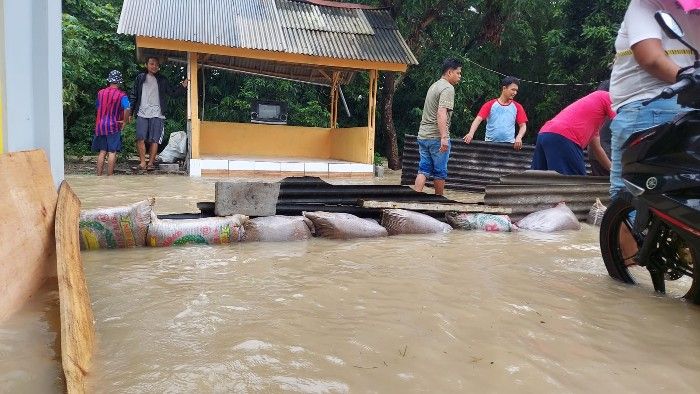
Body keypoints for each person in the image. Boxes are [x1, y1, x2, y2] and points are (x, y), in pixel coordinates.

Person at [609, 0, 699, 266]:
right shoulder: (693, 16)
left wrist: (686, 77)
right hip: (689, 110)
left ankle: (627, 276)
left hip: (647, 106)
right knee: (683, 189)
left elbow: (650, 57)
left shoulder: (644, 4)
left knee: (629, 194)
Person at [530, 86, 616, 176]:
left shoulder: (592, 123)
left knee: (538, 181)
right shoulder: (607, 96)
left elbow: (597, 150)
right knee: (575, 183)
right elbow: (623, 124)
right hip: (564, 137)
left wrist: (615, 171)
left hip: (545, 134)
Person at [413, 58, 462, 196]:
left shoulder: (434, 85)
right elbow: (441, 113)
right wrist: (444, 137)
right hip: (436, 137)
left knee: (423, 169)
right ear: (449, 72)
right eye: (458, 73)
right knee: (440, 172)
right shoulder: (447, 88)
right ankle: (439, 201)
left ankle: (414, 199)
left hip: (423, 135)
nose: (459, 76)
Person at [130, 56, 187, 171]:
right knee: (140, 138)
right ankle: (142, 163)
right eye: (151, 63)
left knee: (155, 139)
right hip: (142, 112)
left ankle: (150, 163)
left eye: (156, 64)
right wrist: (130, 112)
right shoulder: (140, 78)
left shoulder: (162, 80)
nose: (154, 66)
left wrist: (183, 86)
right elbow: (133, 95)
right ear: (146, 65)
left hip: (157, 113)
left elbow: (173, 93)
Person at [463, 76, 528, 150]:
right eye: (513, 90)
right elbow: (478, 119)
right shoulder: (490, 104)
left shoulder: (517, 107)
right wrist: (471, 133)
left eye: (516, 90)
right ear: (504, 88)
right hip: (489, 145)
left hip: (509, 146)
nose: (515, 93)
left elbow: (523, 125)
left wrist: (519, 137)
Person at [92, 70, 131, 176]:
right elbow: (127, 108)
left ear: (109, 81)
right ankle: (110, 176)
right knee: (112, 152)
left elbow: (98, 107)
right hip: (113, 126)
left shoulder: (100, 93)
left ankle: (98, 176)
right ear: (119, 82)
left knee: (102, 151)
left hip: (100, 125)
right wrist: (125, 120)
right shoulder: (122, 95)